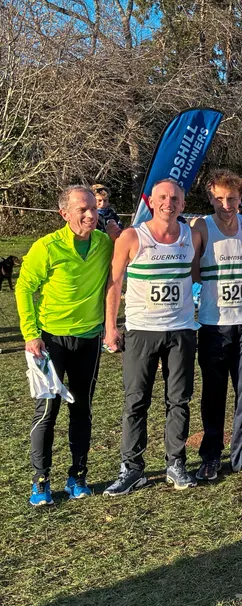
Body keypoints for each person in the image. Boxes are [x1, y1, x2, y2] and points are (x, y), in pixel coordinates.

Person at [17, 185, 112, 505]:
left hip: (89, 340)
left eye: (93, 209)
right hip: (49, 343)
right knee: (46, 411)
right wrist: (31, 333)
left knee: (81, 409)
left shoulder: (103, 242)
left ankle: (78, 476)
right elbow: (23, 288)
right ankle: (40, 481)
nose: (90, 214)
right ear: (64, 214)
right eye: (82, 209)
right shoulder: (46, 247)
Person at [103, 178, 198, 495]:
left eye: (175, 198)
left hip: (181, 329)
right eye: (162, 197)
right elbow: (115, 283)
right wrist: (110, 327)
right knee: (136, 400)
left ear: (182, 204)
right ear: (152, 202)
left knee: (179, 400)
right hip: (142, 330)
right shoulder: (132, 237)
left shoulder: (191, 234)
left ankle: (176, 463)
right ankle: (132, 468)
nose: (168, 202)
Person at [192, 170, 242, 480]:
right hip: (213, 324)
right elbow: (192, 271)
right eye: (219, 198)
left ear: (240, 199)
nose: (226, 204)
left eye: (232, 198)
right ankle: (210, 455)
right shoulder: (201, 228)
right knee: (214, 393)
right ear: (210, 198)